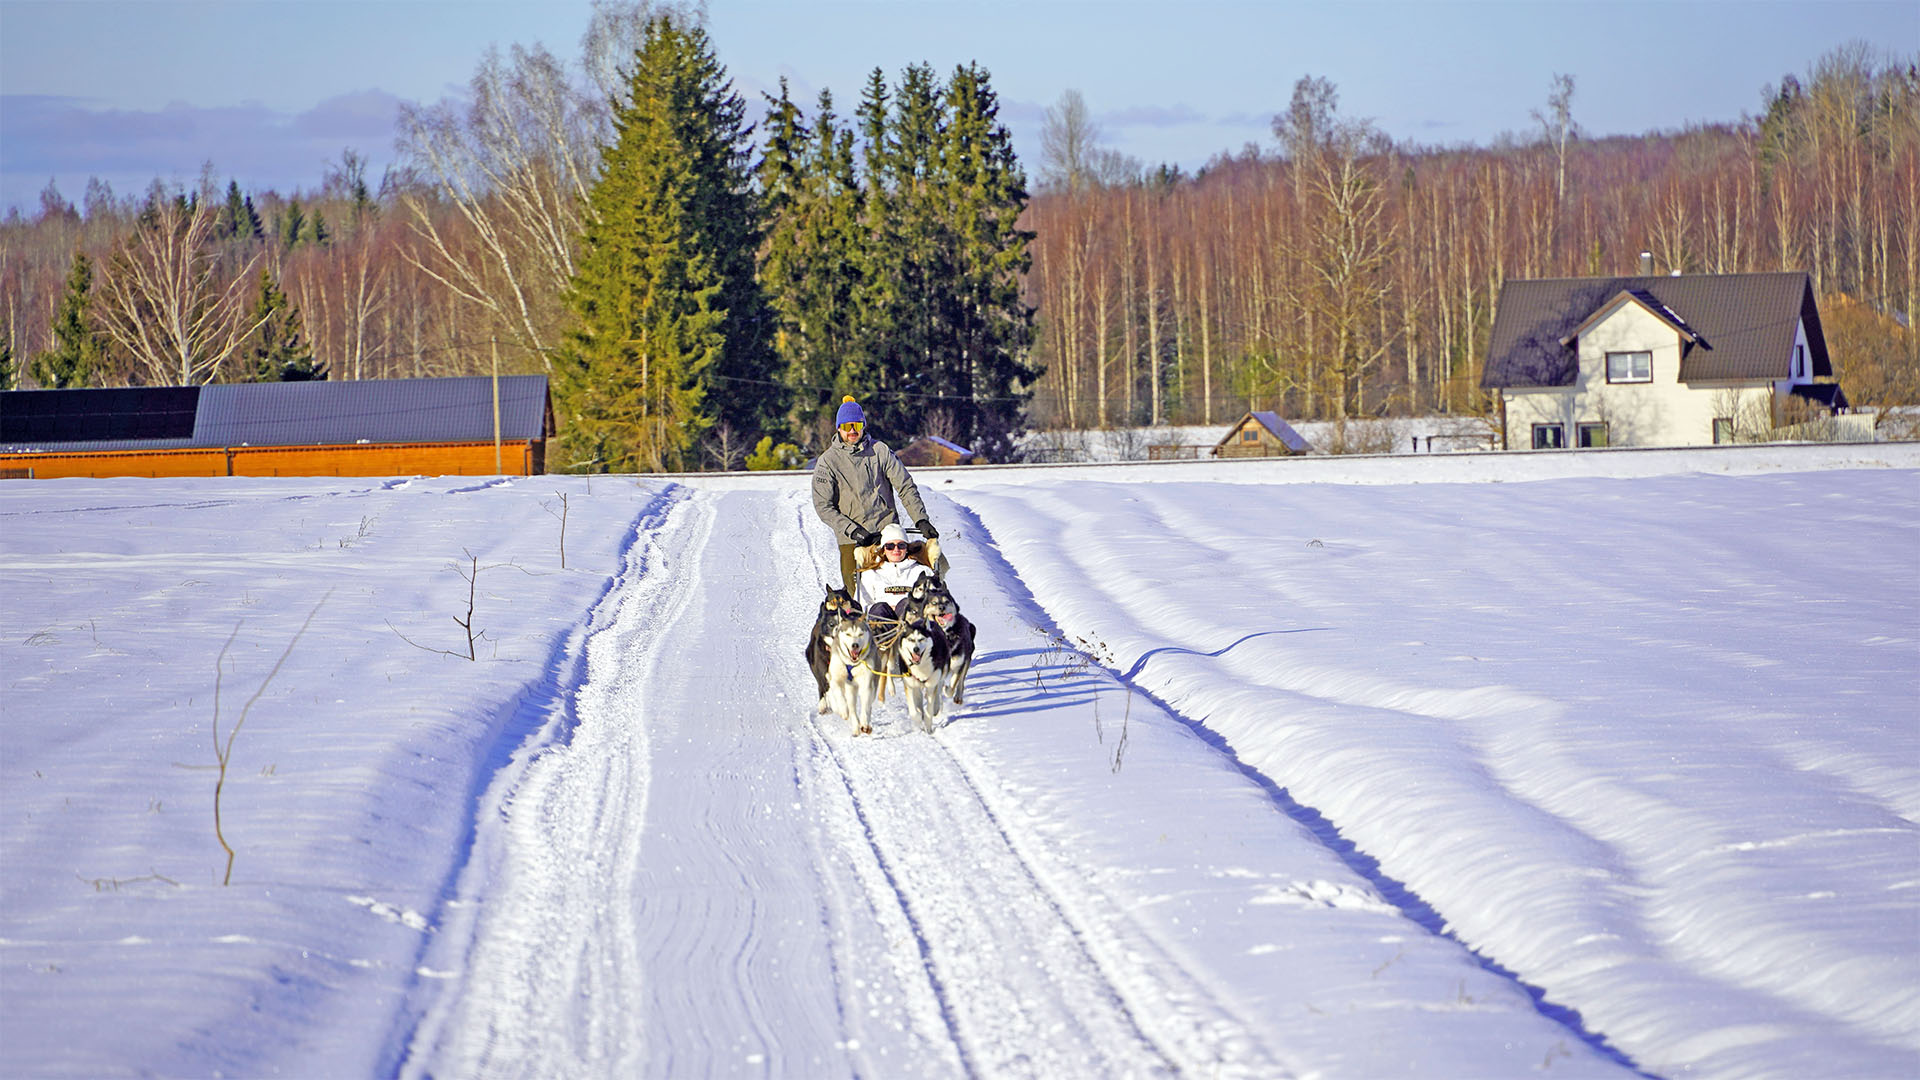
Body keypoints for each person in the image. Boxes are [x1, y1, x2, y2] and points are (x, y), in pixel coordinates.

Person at [811, 396, 938, 595]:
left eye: (856, 425)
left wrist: (921, 519)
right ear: (838, 428)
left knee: (898, 589)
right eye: (847, 426)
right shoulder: (827, 462)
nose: (852, 431)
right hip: (852, 539)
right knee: (858, 594)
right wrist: (853, 530)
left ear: (863, 425)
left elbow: (905, 486)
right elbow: (823, 507)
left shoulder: (880, 451)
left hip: (887, 534)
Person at [856, 522, 935, 620]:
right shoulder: (870, 574)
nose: (896, 549)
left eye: (901, 545)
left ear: (906, 548)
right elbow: (862, 604)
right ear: (884, 550)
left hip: (912, 621)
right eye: (890, 546)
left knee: (907, 603)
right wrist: (889, 609)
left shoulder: (922, 571)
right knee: (880, 608)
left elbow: (933, 600)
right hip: (880, 621)